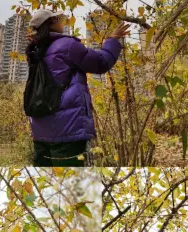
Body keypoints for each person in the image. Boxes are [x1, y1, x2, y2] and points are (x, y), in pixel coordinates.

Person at [25, 9, 130, 167]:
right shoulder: (66, 45)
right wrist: (113, 40)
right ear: (52, 23)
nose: (62, 21)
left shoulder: (36, 50)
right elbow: (101, 62)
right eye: (58, 19)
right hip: (68, 130)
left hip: (41, 131)